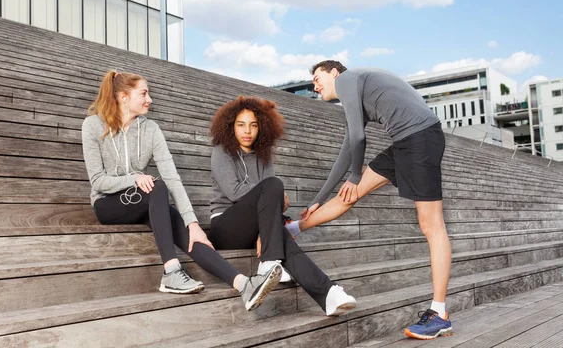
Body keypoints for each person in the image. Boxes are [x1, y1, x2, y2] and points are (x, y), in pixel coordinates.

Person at [81, 70, 281, 311]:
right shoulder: (93, 125)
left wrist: (192, 223)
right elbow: (98, 181)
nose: (150, 99)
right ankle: (171, 271)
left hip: (142, 199)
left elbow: (172, 177)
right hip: (108, 203)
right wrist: (134, 178)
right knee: (157, 187)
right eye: (144, 93)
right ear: (123, 97)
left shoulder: (150, 129)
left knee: (191, 234)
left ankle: (244, 285)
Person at [291, 61, 452, 339]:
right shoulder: (357, 87)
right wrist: (319, 197)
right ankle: (290, 230)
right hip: (405, 141)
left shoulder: (347, 79)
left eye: (318, 78)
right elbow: (348, 148)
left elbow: (358, 137)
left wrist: (355, 174)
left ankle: (439, 314)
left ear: (334, 72)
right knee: (347, 196)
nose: (315, 86)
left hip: (419, 139)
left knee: (432, 226)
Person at [207, 96, 357, 316]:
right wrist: (272, 201)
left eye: (253, 125)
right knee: (274, 186)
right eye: (241, 124)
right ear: (231, 126)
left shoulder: (264, 156)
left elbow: (271, 202)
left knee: (281, 232)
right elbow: (234, 192)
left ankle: (328, 294)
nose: (247, 131)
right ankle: (269, 260)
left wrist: (265, 230)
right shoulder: (222, 152)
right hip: (224, 226)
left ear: (261, 128)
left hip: (256, 225)